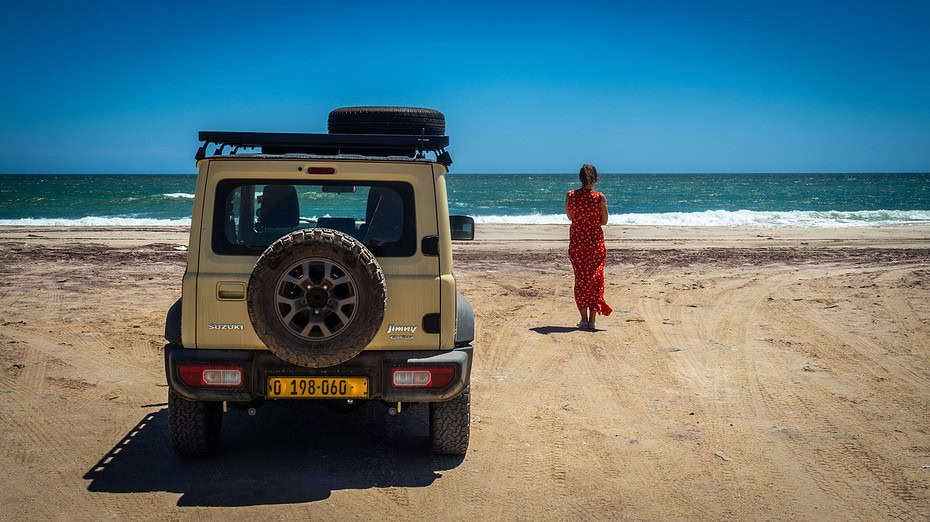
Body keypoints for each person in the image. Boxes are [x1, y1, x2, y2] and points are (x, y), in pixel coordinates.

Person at [565, 164, 612, 330]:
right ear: (596, 178)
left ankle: (583, 319)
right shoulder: (599, 198)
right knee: (595, 280)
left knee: (580, 280)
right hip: (595, 243)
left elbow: (571, 217)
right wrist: (592, 221)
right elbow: (604, 221)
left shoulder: (571, 195)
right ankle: (592, 320)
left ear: (579, 179)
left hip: (577, 242)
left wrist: (582, 220)